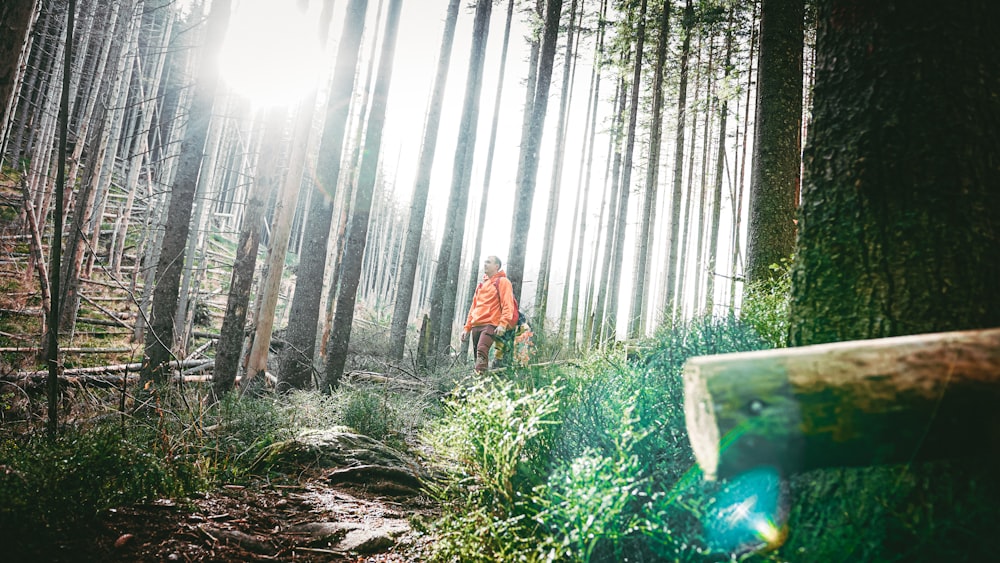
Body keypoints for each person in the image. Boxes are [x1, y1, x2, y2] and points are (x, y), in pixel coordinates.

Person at [461, 255, 516, 373]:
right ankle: (481, 380)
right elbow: (473, 308)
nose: (485, 264)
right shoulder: (481, 285)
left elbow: (508, 304)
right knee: (478, 356)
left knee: (481, 350)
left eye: (488, 262)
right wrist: (467, 328)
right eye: (485, 262)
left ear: (496, 266)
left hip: (490, 324)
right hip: (476, 325)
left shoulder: (503, 282)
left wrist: (503, 324)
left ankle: (481, 384)